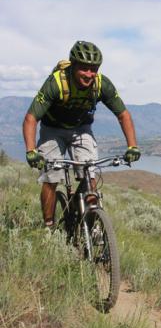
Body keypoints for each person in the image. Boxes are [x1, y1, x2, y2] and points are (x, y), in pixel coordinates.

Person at [23, 40, 141, 227]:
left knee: (90, 172)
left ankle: (90, 222)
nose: (89, 74)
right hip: (52, 129)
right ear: (73, 66)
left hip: (81, 129)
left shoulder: (102, 84)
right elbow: (31, 118)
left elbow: (123, 115)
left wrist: (132, 146)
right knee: (51, 177)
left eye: (93, 69)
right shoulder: (56, 83)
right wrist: (31, 150)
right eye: (84, 68)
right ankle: (48, 226)